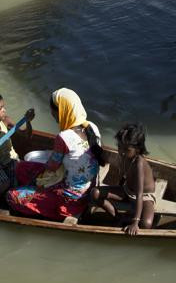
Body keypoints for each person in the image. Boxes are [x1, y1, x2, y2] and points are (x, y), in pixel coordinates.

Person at [7, 88, 105, 220]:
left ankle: (58, 211)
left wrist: (42, 172)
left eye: (53, 110)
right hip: (86, 189)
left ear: (62, 111)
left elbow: (51, 167)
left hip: (69, 199)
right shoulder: (92, 126)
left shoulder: (64, 137)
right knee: (21, 167)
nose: (52, 114)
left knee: (12, 196)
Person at [91, 122, 156, 236]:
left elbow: (140, 193)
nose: (122, 152)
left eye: (127, 149)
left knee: (146, 224)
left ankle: (130, 219)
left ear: (137, 149)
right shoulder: (124, 156)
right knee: (95, 193)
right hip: (127, 191)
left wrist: (135, 222)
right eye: (120, 147)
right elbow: (123, 176)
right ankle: (118, 217)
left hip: (144, 197)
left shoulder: (139, 163)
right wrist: (118, 190)